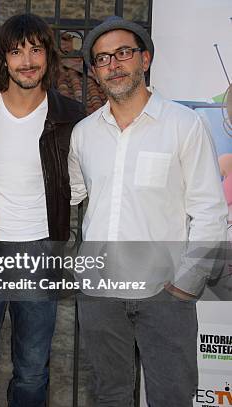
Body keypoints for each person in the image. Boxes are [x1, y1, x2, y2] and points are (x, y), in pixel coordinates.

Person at [68, 16, 228, 406]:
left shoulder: (183, 125)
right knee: (109, 395)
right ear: (94, 72)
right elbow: (71, 195)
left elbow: (209, 210)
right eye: (102, 59)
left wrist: (185, 284)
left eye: (123, 53)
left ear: (146, 59)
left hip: (165, 293)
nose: (114, 64)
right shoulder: (84, 133)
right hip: (100, 293)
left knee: (171, 397)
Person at [0, 14, 84, 407]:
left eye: (35, 50)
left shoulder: (71, 117)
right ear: (3, 59)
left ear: (49, 57)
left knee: (32, 369)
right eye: (17, 51)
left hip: (39, 250)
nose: (27, 61)